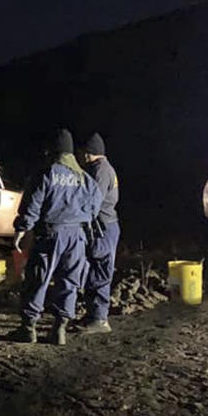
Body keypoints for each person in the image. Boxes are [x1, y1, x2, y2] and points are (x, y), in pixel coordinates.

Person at [12, 129, 103, 345]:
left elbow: (32, 205)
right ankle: (59, 330)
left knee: (38, 279)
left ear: (52, 151)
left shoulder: (46, 173)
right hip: (77, 236)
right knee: (70, 281)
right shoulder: (85, 178)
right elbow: (95, 205)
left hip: (50, 235)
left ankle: (29, 328)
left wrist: (21, 230)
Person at [76, 132, 120, 334]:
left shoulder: (100, 171)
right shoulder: (103, 168)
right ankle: (93, 315)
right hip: (105, 226)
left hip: (103, 228)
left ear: (88, 153)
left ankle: (100, 320)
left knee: (100, 272)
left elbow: (94, 201)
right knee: (95, 270)